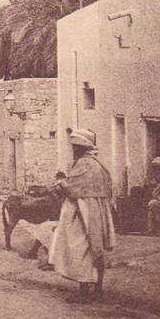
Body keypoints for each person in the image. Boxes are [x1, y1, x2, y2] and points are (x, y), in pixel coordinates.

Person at [48, 129, 117, 303]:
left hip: (84, 212)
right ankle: (98, 288)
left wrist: (60, 184)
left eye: (75, 147)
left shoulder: (84, 164)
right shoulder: (97, 164)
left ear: (81, 147)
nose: (73, 150)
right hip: (98, 210)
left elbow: (72, 187)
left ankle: (85, 292)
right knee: (96, 247)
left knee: (81, 247)